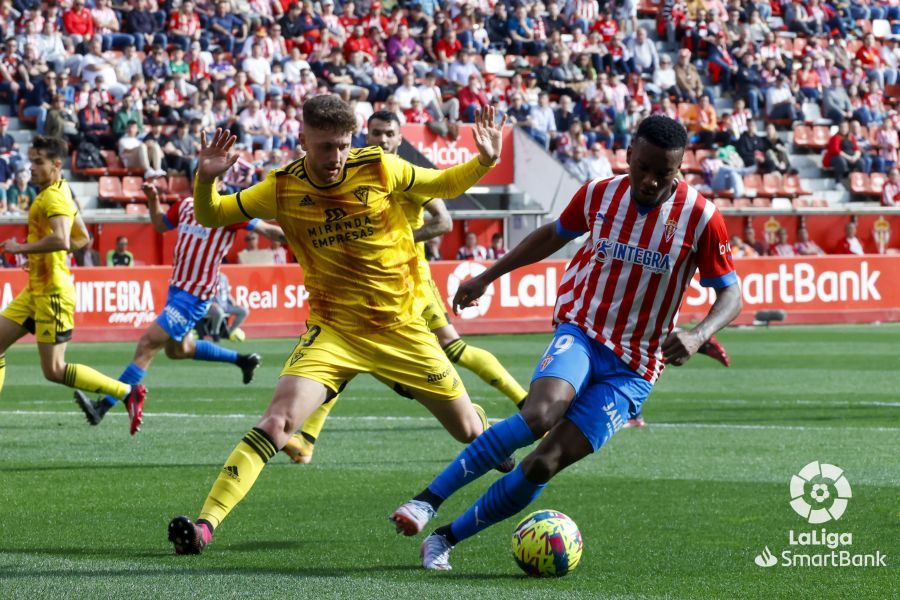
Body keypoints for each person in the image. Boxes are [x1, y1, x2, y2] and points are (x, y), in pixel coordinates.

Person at [389, 116, 742, 571]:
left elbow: (730, 292)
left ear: (680, 169)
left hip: (634, 367)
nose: (652, 180)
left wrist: (699, 333)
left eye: (665, 173)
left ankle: (444, 539)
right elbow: (553, 235)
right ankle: (427, 500)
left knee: (542, 464)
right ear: (629, 153)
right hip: (583, 329)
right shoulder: (600, 193)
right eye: (644, 168)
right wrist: (487, 276)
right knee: (539, 413)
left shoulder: (701, 217)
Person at [166, 96, 508, 555]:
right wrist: (205, 178)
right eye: (326, 147)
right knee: (277, 421)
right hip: (334, 333)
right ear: (302, 139)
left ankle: (489, 426)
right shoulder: (281, 187)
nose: (337, 158)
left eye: (344, 146)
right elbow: (212, 214)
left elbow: (443, 184)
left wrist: (483, 160)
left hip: (401, 328)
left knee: (468, 431)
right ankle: (206, 525)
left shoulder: (381, 168)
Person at [282, 111, 529, 464]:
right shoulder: (352, 174)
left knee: (453, 349)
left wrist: (392, 240)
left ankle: (522, 403)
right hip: (370, 283)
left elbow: (443, 222)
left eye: (389, 134)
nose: (382, 140)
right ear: (365, 135)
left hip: (412, 281)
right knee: (342, 348)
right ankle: (307, 438)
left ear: (400, 139)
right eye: (376, 133)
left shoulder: (405, 174)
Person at [74, 182, 284, 434]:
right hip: (177, 289)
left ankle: (103, 407)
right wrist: (152, 199)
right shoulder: (185, 205)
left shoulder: (228, 211)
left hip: (195, 295)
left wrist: (305, 232)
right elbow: (161, 224)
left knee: (147, 345)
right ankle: (243, 361)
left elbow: (268, 232)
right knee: (178, 350)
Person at [0, 136, 146, 414]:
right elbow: (84, 236)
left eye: (38, 162)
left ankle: (127, 392)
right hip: (37, 289)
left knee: (54, 370)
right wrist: (40, 257)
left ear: (56, 164)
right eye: (31, 161)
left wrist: (22, 248)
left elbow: (64, 239)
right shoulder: (61, 189)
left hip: (52, 293)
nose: (31, 167)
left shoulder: (52, 196)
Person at [203, 272, 248, 342]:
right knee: (219, 312)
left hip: (225, 305)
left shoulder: (224, 277)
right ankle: (215, 333)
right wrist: (211, 303)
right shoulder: (208, 278)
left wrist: (233, 301)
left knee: (244, 311)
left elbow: (227, 292)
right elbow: (203, 293)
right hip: (213, 306)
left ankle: (229, 332)